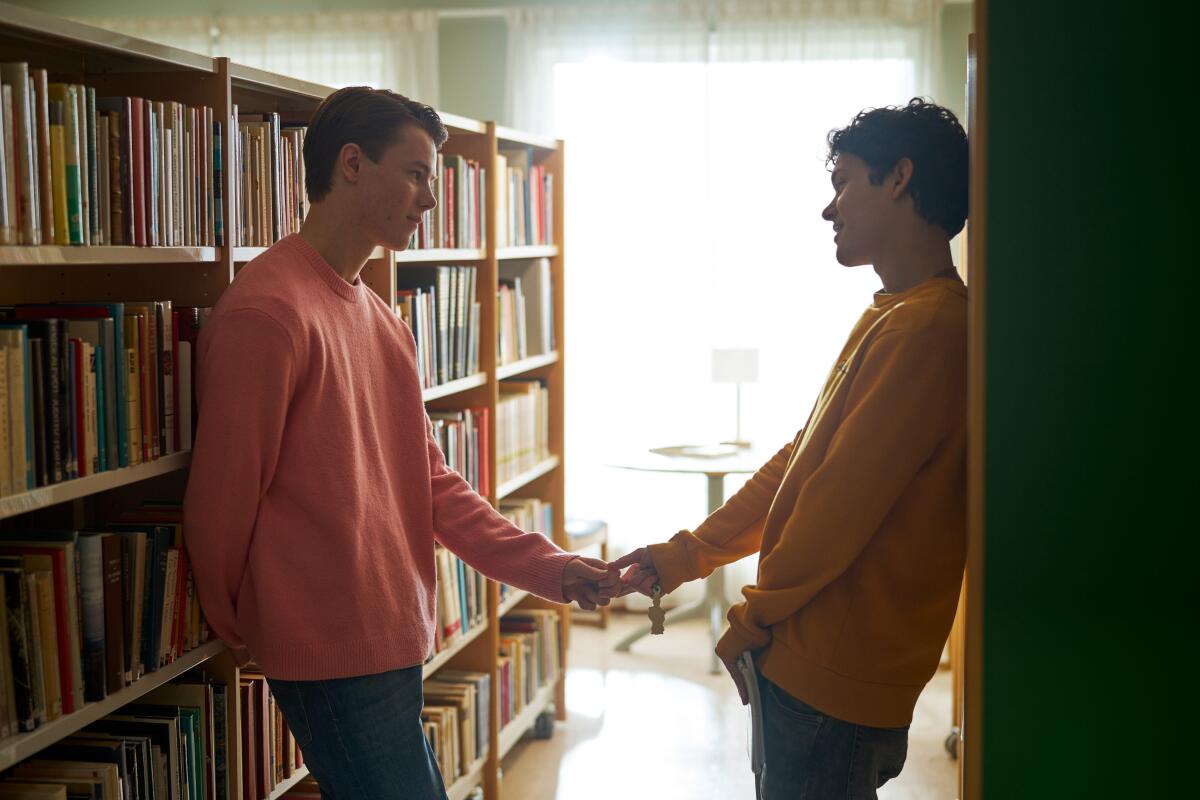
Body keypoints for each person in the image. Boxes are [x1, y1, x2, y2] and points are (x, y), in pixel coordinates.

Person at [183, 86, 617, 800]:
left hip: (393, 634)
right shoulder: (268, 312)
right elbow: (223, 501)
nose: (431, 199)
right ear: (351, 164)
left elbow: (433, 485)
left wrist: (554, 571)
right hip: (328, 650)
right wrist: (243, 622)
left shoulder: (382, 320)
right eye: (416, 174)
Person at [614, 98, 969, 798]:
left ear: (899, 178)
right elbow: (799, 465)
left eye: (843, 181)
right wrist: (683, 556)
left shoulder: (926, 330)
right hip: (814, 670)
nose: (829, 208)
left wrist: (751, 617)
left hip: (830, 681)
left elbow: (836, 508)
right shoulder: (894, 314)